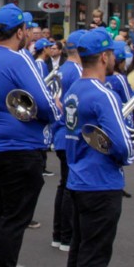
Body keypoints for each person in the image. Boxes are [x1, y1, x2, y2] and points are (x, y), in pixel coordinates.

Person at [0, 3, 62, 267]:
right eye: (27, 29)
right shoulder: (18, 58)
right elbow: (45, 103)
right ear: (20, 31)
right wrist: (55, 112)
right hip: (19, 147)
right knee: (14, 218)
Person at [60, 28, 132, 267]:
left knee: (79, 249)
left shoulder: (74, 88)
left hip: (78, 177)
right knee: (94, 253)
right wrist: (126, 154)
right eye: (112, 53)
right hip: (100, 181)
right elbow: (123, 145)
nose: (114, 58)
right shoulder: (104, 94)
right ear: (104, 57)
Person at [49, 37, 84, 253]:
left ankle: (59, 234)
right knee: (70, 186)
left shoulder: (61, 70)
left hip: (60, 132)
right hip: (70, 132)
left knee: (64, 185)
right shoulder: (77, 71)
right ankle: (67, 235)